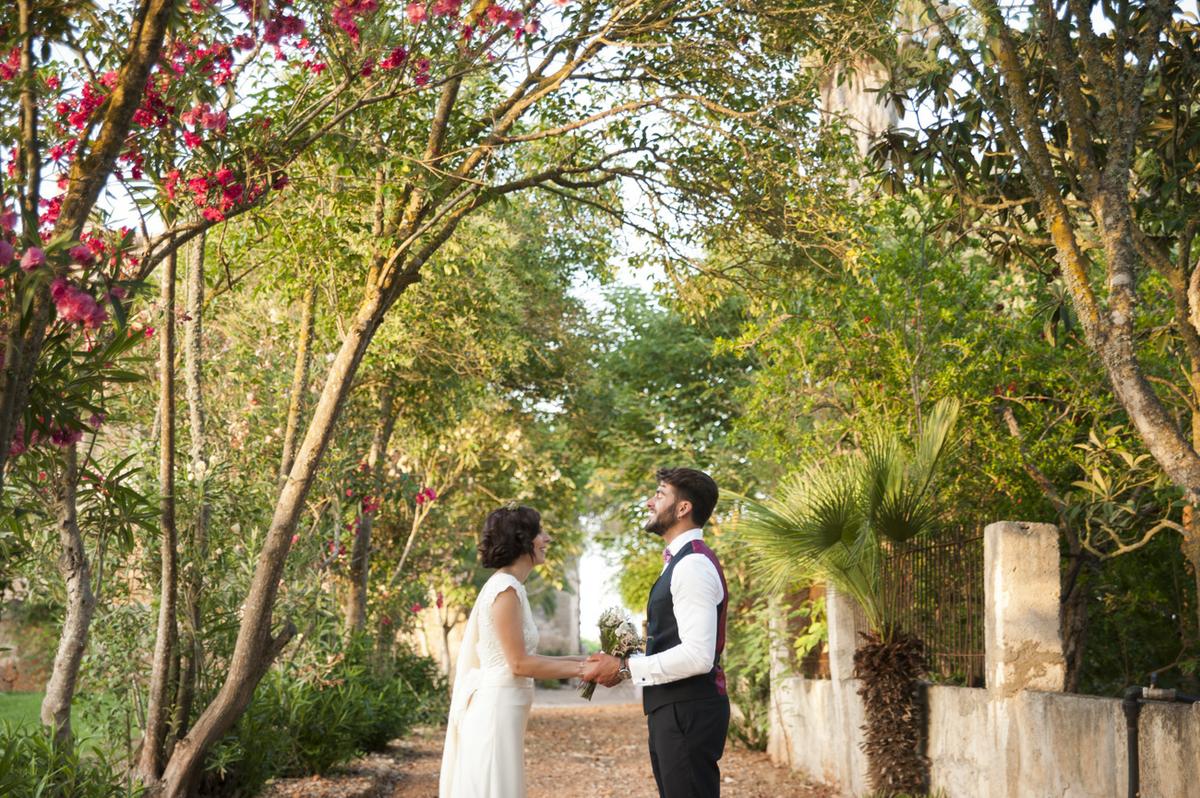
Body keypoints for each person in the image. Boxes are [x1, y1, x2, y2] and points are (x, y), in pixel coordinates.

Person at [583, 467, 729, 798]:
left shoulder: (692, 565)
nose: (650, 502)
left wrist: (625, 667)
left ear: (683, 508)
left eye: (660, 495)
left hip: (688, 710)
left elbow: (698, 656)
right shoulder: (679, 561)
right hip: (675, 708)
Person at [439, 504, 588, 798]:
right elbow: (519, 664)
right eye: (540, 533)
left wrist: (583, 660)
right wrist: (584, 670)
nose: (546, 539)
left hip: (505, 712)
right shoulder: (505, 589)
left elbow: (524, 658)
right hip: (494, 714)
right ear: (522, 540)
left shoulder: (511, 586)